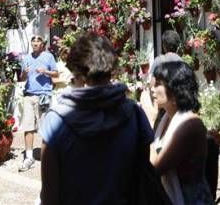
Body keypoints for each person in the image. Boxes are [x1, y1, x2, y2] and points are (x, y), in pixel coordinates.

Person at [39, 33, 154, 205]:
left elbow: (49, 195)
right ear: (110, 68)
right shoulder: (134, 114)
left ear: (76, 71)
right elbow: (143, 173)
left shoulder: (56, 120)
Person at [150, 61, 214, 205]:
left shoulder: (190, 124)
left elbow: (154, 169)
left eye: (158, 84)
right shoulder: (166, 119)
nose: (152, 90)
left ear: (175, 89)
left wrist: (148, 119)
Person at [19, 34, 58, 171]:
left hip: (44, 96)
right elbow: (22, 78)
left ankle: (45, 157)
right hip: (29, 95)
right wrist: (24, 72)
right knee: (28, 127)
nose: (35, 42)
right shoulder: (27, 58)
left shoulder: (49, 57)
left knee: (44, 128)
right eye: (33, 40)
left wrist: (45, 71)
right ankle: (29, 157)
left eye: (38, 40)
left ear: (42, 44)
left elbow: (56, 74)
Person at [141, 30, 184, 126]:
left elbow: (152, 83)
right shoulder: (182, 62)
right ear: (177, 45)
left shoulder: (159, 60)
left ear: (164, 45)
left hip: (162, 107)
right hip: (176, 105)